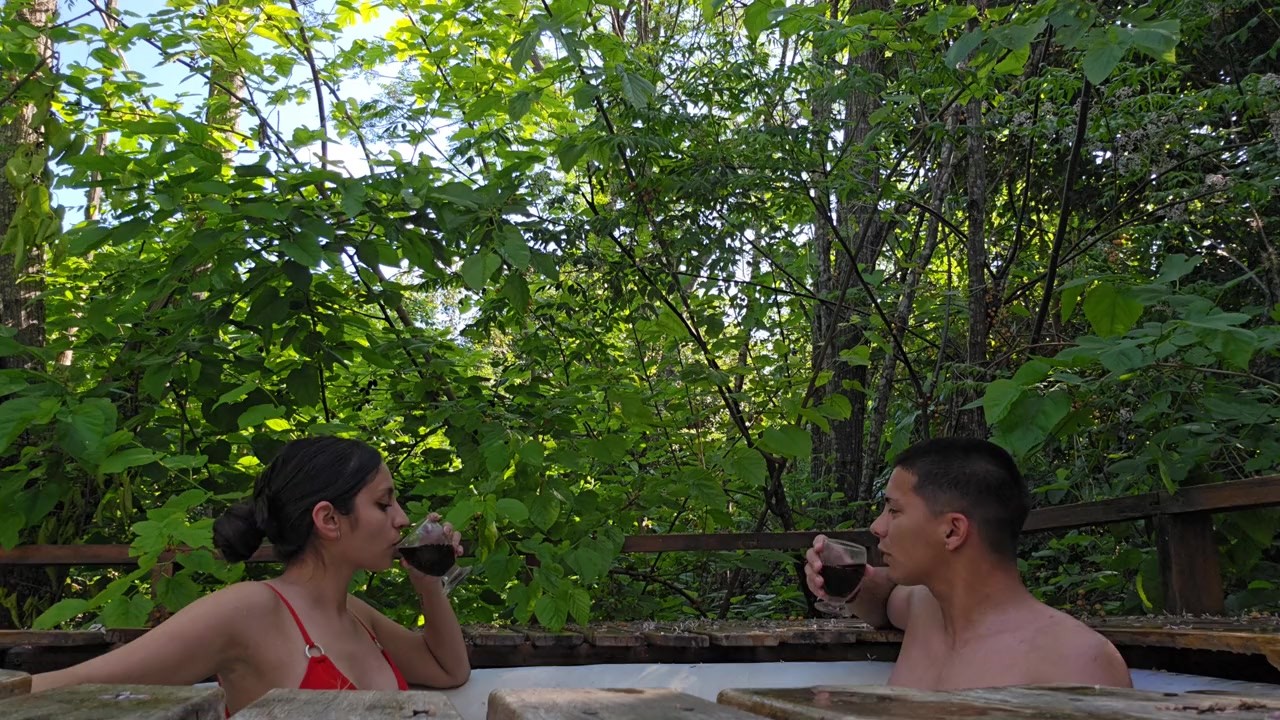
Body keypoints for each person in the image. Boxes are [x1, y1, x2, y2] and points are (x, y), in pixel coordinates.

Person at [32, 436, 471, 714]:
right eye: (384, 503)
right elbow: (64, 690)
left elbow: (448, 671)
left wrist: (428, 582)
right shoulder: (250, 610)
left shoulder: (356, 613)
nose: (402, 518)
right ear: (328, 519)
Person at [805, 437, 1131, 690]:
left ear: (952, 531)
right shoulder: (923, 608)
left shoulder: (1076, 663)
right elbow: (884, 599)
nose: (877, 527)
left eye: (894, 510)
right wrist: (848, 582)